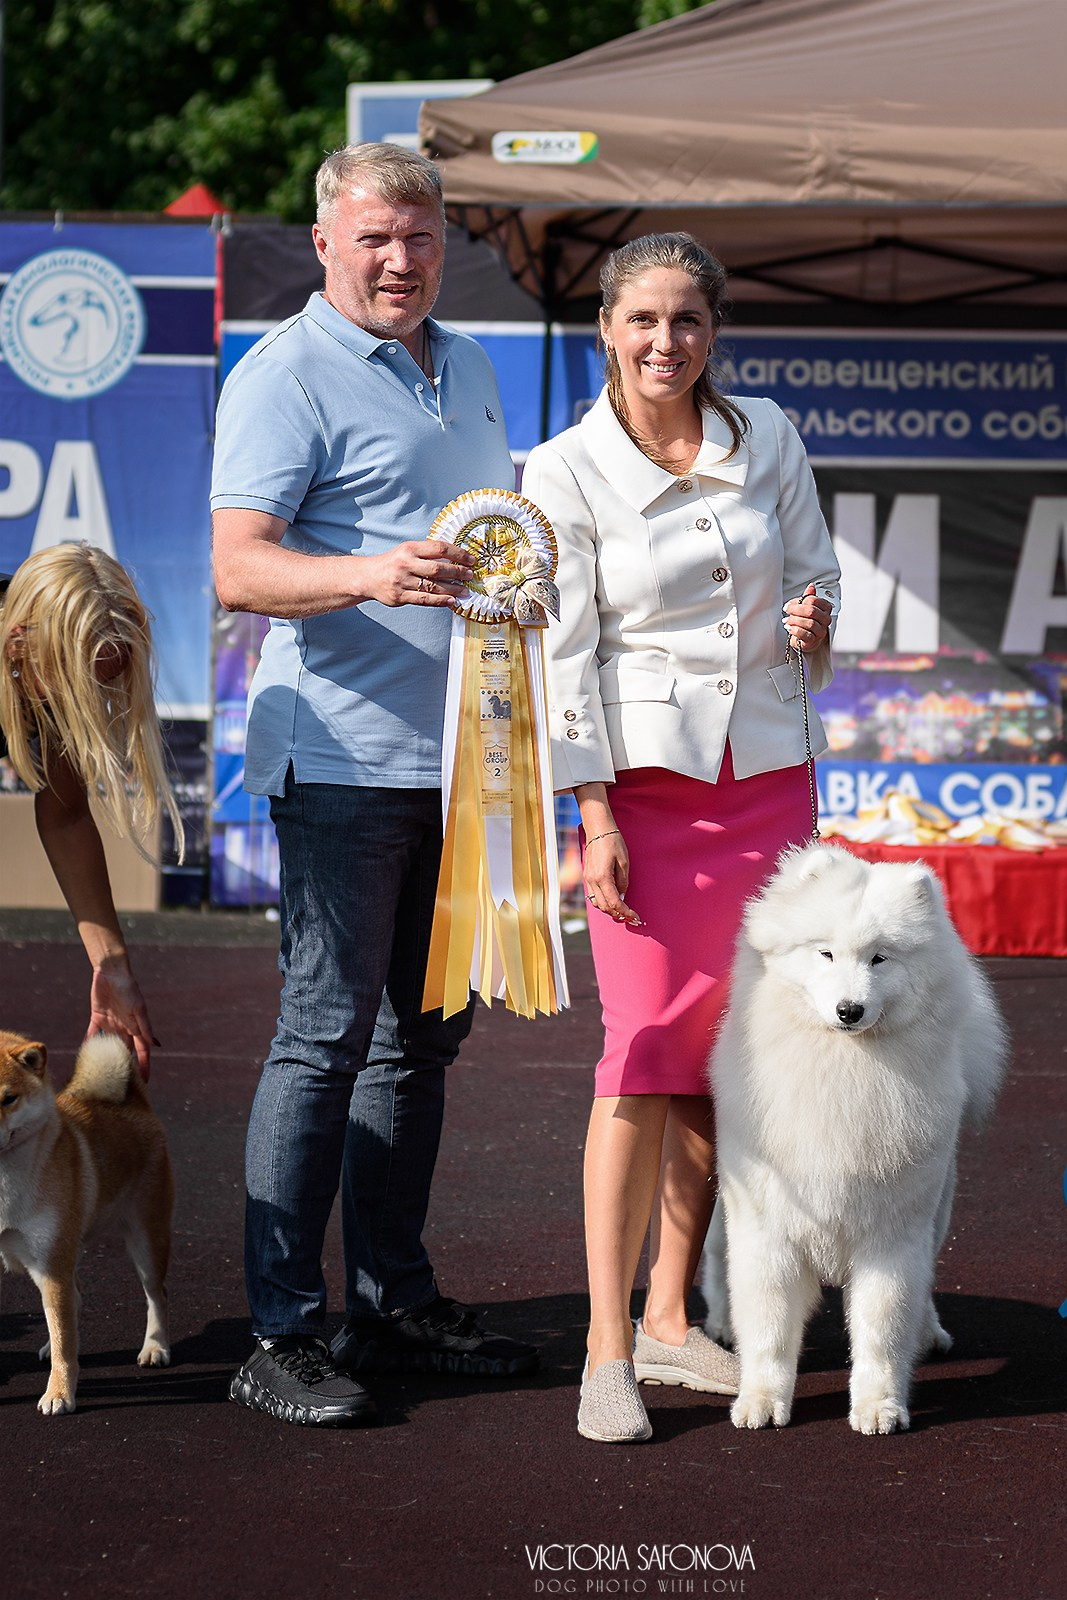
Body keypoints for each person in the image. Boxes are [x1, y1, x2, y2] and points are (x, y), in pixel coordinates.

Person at [210, 142, 538, 1429]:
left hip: (460, 761)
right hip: (342, 759)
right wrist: (366, 573)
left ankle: (389, 1303)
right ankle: (276, 1332)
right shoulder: (281, 372)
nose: (399, 259)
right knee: (322, 1040)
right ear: (325, 241)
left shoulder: (471, 363)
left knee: (422, 1042)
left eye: (418, 235)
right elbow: (239, 568)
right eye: (373, 238)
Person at [521, 232, 841, 1443]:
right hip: (642, 799)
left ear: (716, 331)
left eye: (688, 322)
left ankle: (670, 1314)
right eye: (642, 320)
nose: (666, 343)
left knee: (724, 1054)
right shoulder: (559, 470)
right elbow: (563, 658)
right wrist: (591, 814)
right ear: (605, 326)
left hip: (767, 782)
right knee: (639, 1051)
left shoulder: (770, 437)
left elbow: (814, 585)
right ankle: (607, 1351)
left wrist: (810, 621)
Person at [0, 543, 183, 1077]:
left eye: (104, 685)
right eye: (78, 689)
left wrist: (113, 966)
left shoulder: (40, 648)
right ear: (17, 649)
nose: (90, 704)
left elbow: (65, 815)